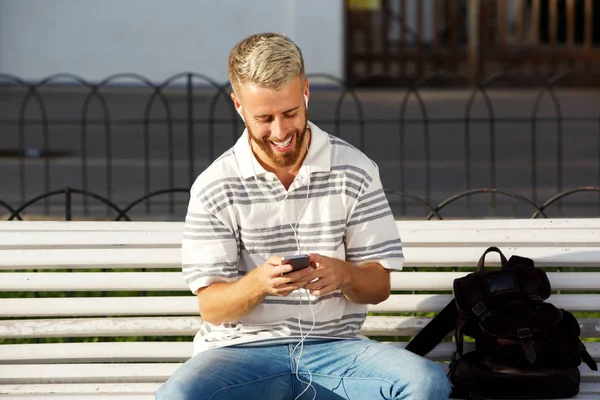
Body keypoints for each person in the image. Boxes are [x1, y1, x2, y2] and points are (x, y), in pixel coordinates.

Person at [155, 32, 451, 400]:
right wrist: (261, 283)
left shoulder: (354, 169)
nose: (280, 132)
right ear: (238, 105)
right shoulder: (215, 184)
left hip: (336, 348)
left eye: (290, 113)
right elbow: (211, 307)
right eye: (264, 118)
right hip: (238, 354)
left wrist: (343, 274)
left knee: (427, 383)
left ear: (306, 92)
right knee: (179, 395)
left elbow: (379, 285)